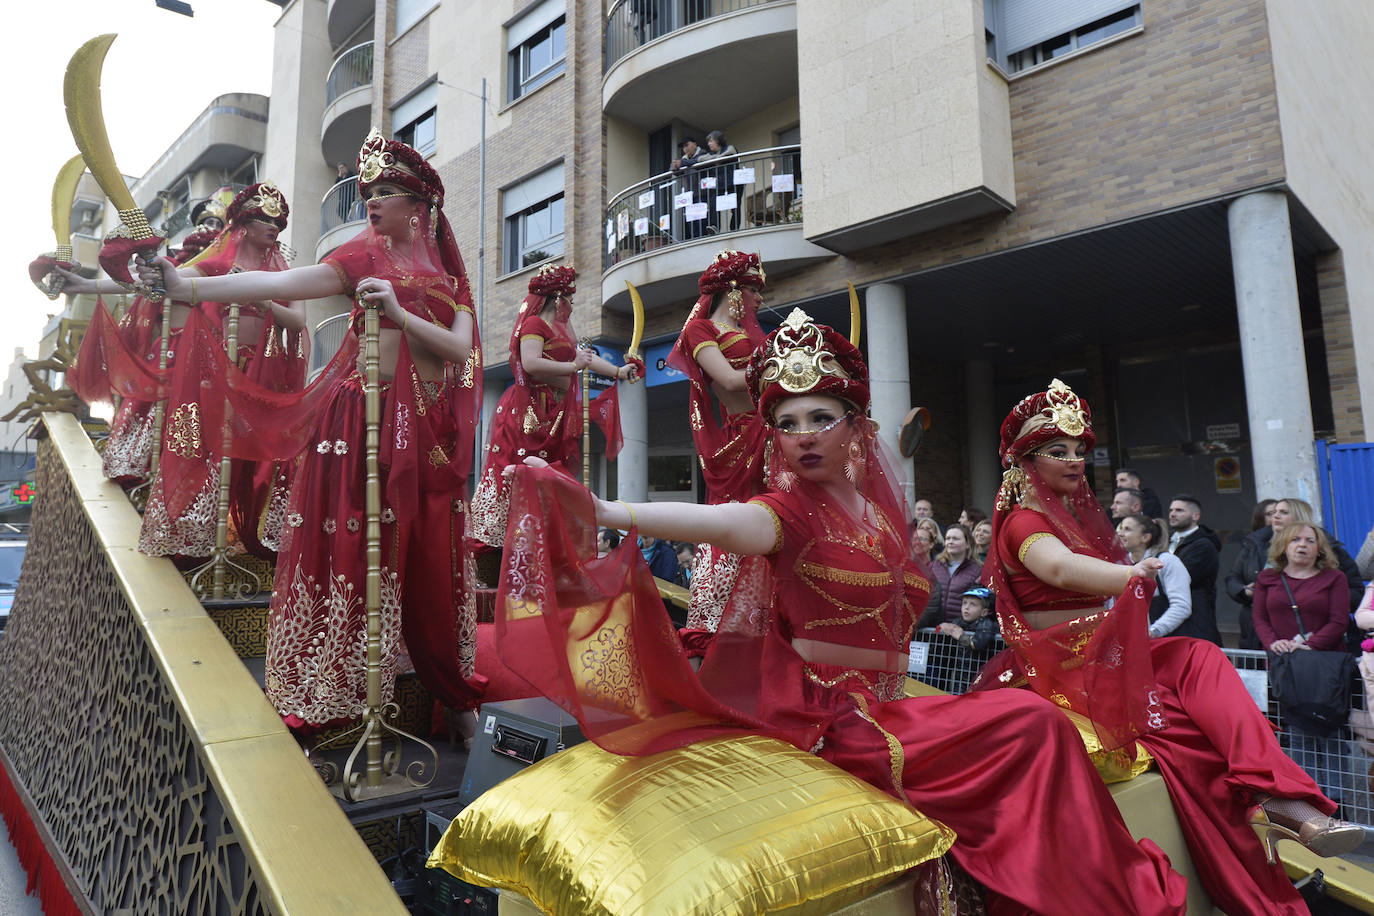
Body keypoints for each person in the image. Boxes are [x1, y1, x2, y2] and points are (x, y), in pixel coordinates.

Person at [495, 310, 1190, 915]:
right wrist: (609, 510)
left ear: (853, 427)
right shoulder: (782, 513)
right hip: (830, 715)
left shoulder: (881, 522)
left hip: (888, 702)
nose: (803, 435)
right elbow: (720, 522)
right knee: (1033, 724)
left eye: (820, 418)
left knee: (1037, 726)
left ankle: (1087, 885)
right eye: (787, 422)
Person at [971, 378, 1361, 915]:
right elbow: (1056, 568)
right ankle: (1264, 817)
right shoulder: (1024, 522)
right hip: (1055, 668)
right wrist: (1127, 574)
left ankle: (1280, 797)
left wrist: (1125, 576)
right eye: (1056, 451)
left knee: (1198, 654)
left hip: (1100, 657)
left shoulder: (1074, 521)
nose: (1075, 460)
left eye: (1080, 450)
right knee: (1186, 741)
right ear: (1022, 463)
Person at [139, 129, 485, 728]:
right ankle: (337, 681)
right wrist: (189, 287)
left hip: (428, 432)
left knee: (423, 548)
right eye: (368, 191)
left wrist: (400, 315)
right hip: (362, 423)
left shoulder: (450, 278)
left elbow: (459, 348)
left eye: (386, 190)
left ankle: (416, 672)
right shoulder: (362, 254)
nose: (370, 200)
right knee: (361, 547)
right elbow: (280, 284)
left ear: (420, 205)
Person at [138, 182, 308, 561]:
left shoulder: (285, 274)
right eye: (265, 218)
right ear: (243, 225)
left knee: (263, 457)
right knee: (211, 451)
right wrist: (142, 273)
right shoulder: (213, 266)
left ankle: (254, 534)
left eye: (279, 221)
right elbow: (174, 283)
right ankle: (197, 539)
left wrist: (262, 301)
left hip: (267, 379)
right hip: (218, 374)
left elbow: (297, 321)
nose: (274, 226)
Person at [467, 265, 636, 551]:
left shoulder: (559, 332)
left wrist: (619, 371)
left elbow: (586, 360)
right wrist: (573, 366)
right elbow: (531, 362)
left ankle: (546, 540)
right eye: (570, 298)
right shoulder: (534, 325)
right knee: (518, 473)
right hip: (529, 410)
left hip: (553, 413)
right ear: (558, 299)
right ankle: (501, 546)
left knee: (550, 477)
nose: (572, 305)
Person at [668, 251, 768, 637]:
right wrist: (778, 369)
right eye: (753, 289)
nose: (760, 299)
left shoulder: (756, 337)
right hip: (741, 439)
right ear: (732, 290)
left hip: (772, 433)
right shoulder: (701, 331)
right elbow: (726, 380)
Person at [1253, 524, 1354, 807]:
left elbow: (1338, 621)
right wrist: (1274, 643)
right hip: (1287, 668)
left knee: (1331, 734)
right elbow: (1260, 619)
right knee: (1298, 734)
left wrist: (1309, 646)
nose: (1302, 545)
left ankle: (1336, 802)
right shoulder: (1268, 578)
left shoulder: (1333, 578)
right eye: (1295, 539)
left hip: (1325, 668)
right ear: (1283, 545)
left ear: (1319, 548)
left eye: (1310, 541)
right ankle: (1308, 797)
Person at [1118, 513, 1193, 639]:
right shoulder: (1121, 564)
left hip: (1166, 642)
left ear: (1145, 537)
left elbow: (1181, 606)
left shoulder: (1167, 562)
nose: (1120, 533)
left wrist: (1153, 631)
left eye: (1127, 529)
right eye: (1121, 528)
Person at [1165, 495, 1222, 644]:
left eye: (1179, 510)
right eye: (1171, 510)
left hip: (1196, 618)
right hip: (1169, 615)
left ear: (1195, 516)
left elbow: (1181, 577)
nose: (1172, 514)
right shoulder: (1166, 542)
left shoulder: (1204, 545)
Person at [1226, 499, 1280, 649]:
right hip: (1252, 616)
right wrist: (1244, 590)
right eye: (1270, 514)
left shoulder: (1293, 546)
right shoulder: (1251, 546)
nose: (1275, 517)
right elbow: (1233, 577)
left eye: (1280, 512)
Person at [918, 524, 982, 629]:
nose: (950, 542)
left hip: (961, 631)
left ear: (967, 544)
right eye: (948, 538)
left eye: (955, 539)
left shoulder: (977, 570)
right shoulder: (933, 566)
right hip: (932, 629)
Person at [693, 130, 739, 233]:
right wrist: (714, 159)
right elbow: (697, 160)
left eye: (711, 141)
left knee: (735, 206)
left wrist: (713, 159)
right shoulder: (711, 154)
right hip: (720, 183)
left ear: (718, 140)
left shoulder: (730, 148)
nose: (709, 144)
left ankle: (734, 229)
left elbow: (729, 154)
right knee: (713, 203)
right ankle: (714, 227)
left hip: (734, 182)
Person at [936, 586, 1000, 656]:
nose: (966, 607)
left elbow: (978, 644)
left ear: (984, 612)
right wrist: (942, 627)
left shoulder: (987, 624)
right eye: (964, 603)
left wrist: (960, 636)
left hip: (980, 664)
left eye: (973, 604)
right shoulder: (958, 621)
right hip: (958, 664)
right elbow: (940, 639)